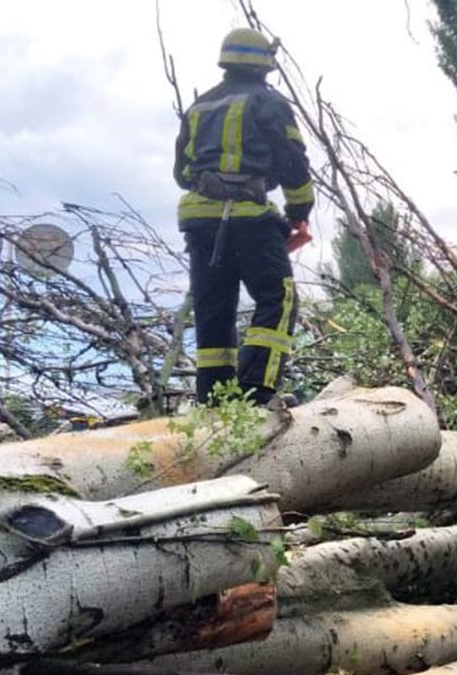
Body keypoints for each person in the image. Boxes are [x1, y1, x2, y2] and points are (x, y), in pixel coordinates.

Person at [173, 28, 315, 406]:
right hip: (250, 219)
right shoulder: (269, 103)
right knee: (278, 298)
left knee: (213, 308)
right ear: (264, 64)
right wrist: (299, 212)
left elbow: (182, 173)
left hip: (200, 221)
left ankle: (215, 400)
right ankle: (255, 393)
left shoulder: (199, 107)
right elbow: (292, 163)